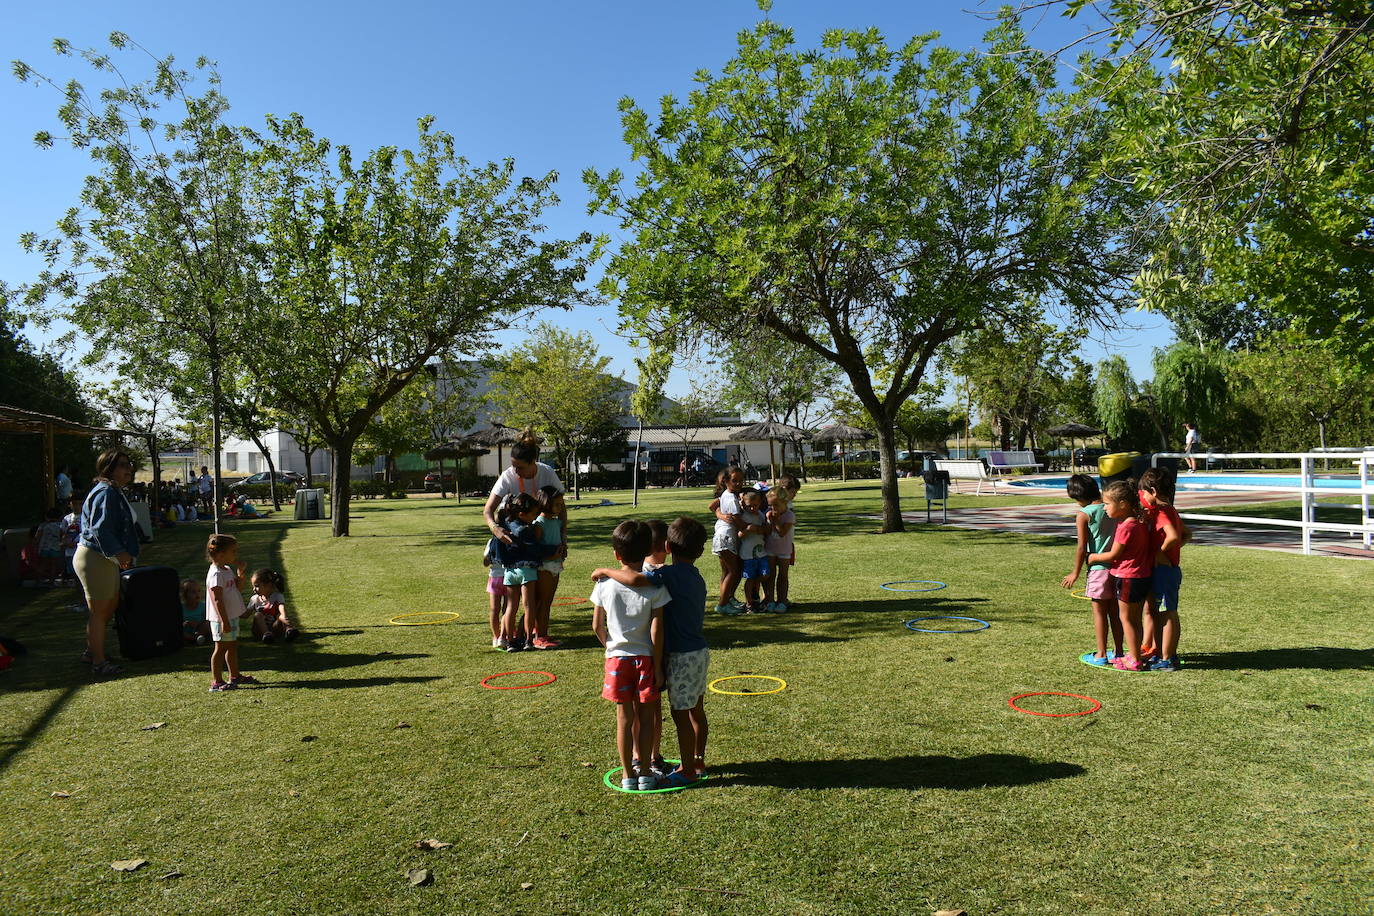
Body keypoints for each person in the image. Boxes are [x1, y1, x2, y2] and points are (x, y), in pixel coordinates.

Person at [591, 516, 710, 787]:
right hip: (694, 653)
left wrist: (605, 571)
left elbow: (631, 580)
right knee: (694, 710)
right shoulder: (694, 578)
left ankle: (676, 769)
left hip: (667, 657)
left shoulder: (659, 578)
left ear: (667, 547)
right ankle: (691, 761)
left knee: (664, 715)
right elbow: (657, 625)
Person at [590, 520, 670, 791]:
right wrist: (657, 665)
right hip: (645, 659)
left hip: (616, 659)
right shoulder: (654, 586)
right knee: (646, 718)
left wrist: (610, 647)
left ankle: (628, 774)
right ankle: (646, 773)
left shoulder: (603, 584)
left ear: (616, 554)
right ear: (648, 550)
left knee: (624, 719)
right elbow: (657, 629)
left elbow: (596, 625)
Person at [74, 448, 140, 676]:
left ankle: (92, 652)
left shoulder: (114, 491)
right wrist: (120, 553)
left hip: (105, 558)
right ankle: (99, 662)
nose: (128, 468)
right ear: (108, 468)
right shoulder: (106, 493)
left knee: (107, 607)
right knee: (99, 611)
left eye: (128, 464)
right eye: (122, 465)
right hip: (95, 557)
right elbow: (100, 529)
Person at [482, 429, 567, 582]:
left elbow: (562, 507)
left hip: (538, 532)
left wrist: (563, 537)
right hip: (511, 530)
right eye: (513, 466)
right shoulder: (508, 476)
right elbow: (488, 510)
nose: (515, 470)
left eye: (520, 467)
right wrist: (495, 529)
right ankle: (493, 547)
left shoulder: (547, 473)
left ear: (533, 461)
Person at [1088, 480, 1154, 671]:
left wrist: (1093, 557)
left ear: (1123, 504)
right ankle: (1135, 654)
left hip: (1127, 578)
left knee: (1126, 619)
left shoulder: (1125, 527)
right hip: (1142, 576)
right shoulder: (1140, 523)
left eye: (1107, 504)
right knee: (1135, 618)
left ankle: (1134, 660)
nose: (1104, 507)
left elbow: (1114, 554)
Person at [1059, 474, 1123, 666]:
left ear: (1079, 496)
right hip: (1118, 568)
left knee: (1099, 613)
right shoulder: (1111, 507)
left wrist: (1075, 572)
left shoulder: (1084, 514)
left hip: (1098, 570)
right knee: (1115, 613)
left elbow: (1081, 547)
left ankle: (1101, 654)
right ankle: (1119, 652)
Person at [1138, 468, 1191, 672]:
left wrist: (1159, 555)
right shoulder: (1170, 510)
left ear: (1153, 491)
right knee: (1161, 612)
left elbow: (1174, 537)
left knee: (1167, 613)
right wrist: (1171, 554)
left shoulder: (1162, 511)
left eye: (1143, 492)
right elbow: (1187, 535)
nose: (1141, 496)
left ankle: (1167, 658)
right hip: (1166, 569)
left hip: (1164, 571)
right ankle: (1163, 653)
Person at [494, 492, 558, 652]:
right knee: (529, 606)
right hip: (526, 570)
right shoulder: (525, 530)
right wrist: (554, 550)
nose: (534, 518)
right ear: (522, 514)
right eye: (533, 515)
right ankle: (529, 640)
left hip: (509, 571)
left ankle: (509, 641)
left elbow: (497, 548)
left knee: (510, 607)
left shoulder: (504, 526)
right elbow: (536, 549)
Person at [205, 533, 259, 691]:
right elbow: (217, 600)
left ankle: (234, 675)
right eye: (233, 551)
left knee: (232, 646)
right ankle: (216, 682)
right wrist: (224, 621)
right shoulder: (216, 575)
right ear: (221, 555)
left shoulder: (226, 569)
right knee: (220, 648)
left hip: (231, 617)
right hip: (221, 620)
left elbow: (238, 588)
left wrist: (241, 573)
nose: (236, 554)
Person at [529, 485, 567, 650]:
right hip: (544, 567)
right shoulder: (539, 523)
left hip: (555, 566)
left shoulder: (556, 522)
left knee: (547, 601)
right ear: (546, 503)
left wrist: (562, 550)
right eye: (557, 504)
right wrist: (550, 555)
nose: (560, 508)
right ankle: (539, 637)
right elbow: (535, 550)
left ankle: (542, 632)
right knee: (542, 602)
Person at [708, 468, 747, 616]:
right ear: (726, 482)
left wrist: (719, 513)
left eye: (741, 480)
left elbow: (714, 507)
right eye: (734, 480)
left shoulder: (728, 494)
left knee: (727, 572)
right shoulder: (730, 498)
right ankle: (723, 604)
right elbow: (737, 520)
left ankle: (728, 598)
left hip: (722, 537)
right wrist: (754, 527)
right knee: (733, 571)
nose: (739, 483)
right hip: (726, 538)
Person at [736, 489, 770, 613]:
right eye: (749, 506)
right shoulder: (743, 516)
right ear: (744, 504)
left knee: (765, 575)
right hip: (748, 553)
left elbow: (766, 530)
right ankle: (749, 603)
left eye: (755, 505)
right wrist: (748, 529)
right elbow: (739, 534)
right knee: (749, 578)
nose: (752, 508)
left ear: (760, 503)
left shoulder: (760, 515)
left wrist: (762, 529)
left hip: (761, 552)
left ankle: (761, 599)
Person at [762, 487, 795, 613]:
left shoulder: (789, 515)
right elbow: (767, 531)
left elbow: (782, 532)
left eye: (776, 505)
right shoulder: (768, 513)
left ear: (785, 502)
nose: (773, 509)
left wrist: (775, 520)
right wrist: (768, 521)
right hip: (770, 549)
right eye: (771, 506)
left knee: (782, 576)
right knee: (770, 576)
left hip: (784, 550)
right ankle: (769, 600)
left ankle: (782, 601)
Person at [248, 568, 300, 643]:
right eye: (253, 586)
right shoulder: (254, 599)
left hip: (275, 628)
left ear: (268, 585)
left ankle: (289, 630)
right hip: (259, 631)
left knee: (280, 615)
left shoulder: (277, 596)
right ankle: (266, 635)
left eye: (256, 586)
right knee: (258, 614)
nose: (254, 589)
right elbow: (246, 614)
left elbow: (281, 606)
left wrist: (284, 617)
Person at [483, 536, 512, 650]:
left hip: (495, 578)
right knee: (507, 608)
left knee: (494, 609)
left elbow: (485, 562)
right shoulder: (511, 539)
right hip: (509, 578)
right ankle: (502, 637)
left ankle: (496, 637)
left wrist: (489, 558)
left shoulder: (491, 541)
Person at [37, 507, 64, 586]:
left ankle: (39, 580)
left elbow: (37, 537)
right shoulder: (60, 525)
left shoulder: (43, 525)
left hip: (44, 548)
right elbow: (62, 536)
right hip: (55, 548)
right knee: (53, 565)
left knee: (43, 564)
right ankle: (51, 581)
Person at [60, 493, 82, 587]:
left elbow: (85, 532)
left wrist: (76, 542)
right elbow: (63, 532)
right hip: (69, 551)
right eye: (74, 503)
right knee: (73, 573)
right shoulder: (66, 518)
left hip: (80, 549)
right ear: (70, 504)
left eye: (79, 504)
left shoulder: (85, 517)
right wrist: (64, 541)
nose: (77, 506)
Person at [180, 578, 209, 645]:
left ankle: (197, 638)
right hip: (186, 631)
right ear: (185, 595)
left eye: (198, 591)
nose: (197, 594)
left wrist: (198, 624)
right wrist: (185, 624)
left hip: (198, 630)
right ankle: (194, 639)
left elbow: (206, 620)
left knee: (207, 624)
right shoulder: (181, 608)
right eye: (193, 592)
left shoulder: (203, 606)